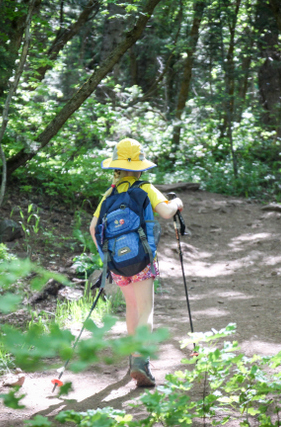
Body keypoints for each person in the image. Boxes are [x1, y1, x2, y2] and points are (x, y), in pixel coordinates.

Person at [89, 138, 183, 387]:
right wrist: (177, 203)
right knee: (146, 309)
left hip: (117, 263)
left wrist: (106, 260)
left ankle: (133, 357)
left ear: (116, 167)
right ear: (141, 166)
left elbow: (92, 227)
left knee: (131, 307)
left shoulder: (109, 194)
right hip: (142, 260)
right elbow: (165, 212)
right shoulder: (146, 188)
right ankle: (141, 361)